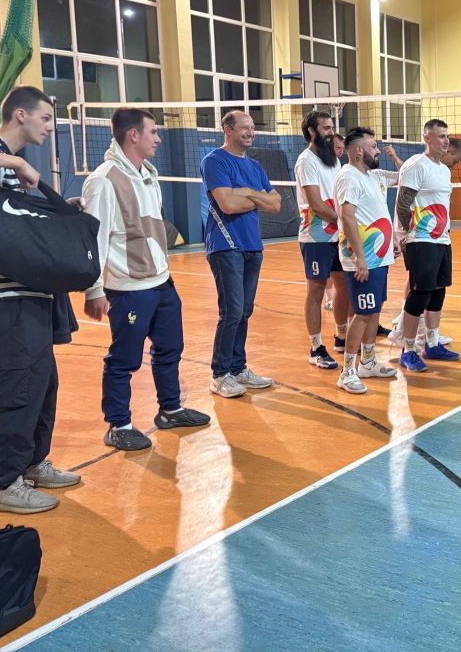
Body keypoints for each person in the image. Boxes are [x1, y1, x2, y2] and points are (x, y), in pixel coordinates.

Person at [82, 108, 210, 451]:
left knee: (170, 348)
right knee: (124, 359)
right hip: (128, 289)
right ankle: (119, 424)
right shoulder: (104, 180)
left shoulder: (148, 175)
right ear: (133, 135)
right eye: (153, 132)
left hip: (161, 282)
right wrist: (94, 289)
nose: (158, 139)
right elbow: (94, 241)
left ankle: (170, 409)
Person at [0, 86, 80, 514]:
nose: (50, 127)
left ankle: (30, 463)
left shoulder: (12, 169)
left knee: (42, 385)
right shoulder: (1, 156)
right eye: (45, 118)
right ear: (20, 115)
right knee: (16, 387)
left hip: (33, 295)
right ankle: (2, 482)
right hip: (4, 302)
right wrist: (16, 162)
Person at [200, 110, 282, 398]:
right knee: (232, 311)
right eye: (244, 127)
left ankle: (237, 368)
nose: (250, 132)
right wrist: (258, 197)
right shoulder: (214, 161)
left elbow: (276, 204)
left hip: (252, 246)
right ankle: (220, 374)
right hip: (226, 245)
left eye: (252, 127)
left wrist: (246, 192)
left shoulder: (255, 166)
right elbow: (228, 205)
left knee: (244, 311)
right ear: (228, 129)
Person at [333, 127, 399, 394]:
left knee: (373, 311)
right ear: (359, 151)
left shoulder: (370, 175)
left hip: (379, 258)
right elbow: (347, 217)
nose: (377, 150)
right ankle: (347, 371)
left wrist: (391, 240)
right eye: (373, 147)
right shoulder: (348, 176)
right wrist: (360, 257)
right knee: (361, 314)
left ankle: (368, 363)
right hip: (363, 260)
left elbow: (376, 212)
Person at [394, 119, 461, 372]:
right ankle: (408, 350)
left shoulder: (444, 170)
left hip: (442, 239)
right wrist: (409, 232)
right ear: (427, 138)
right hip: (421, 240)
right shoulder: (416, 165)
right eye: (441, 136)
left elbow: (444, 203)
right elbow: (403, 203)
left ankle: (432, 345)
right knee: (420, 294)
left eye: (447, 136)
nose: (446, 141)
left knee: (438, 291)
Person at [295, 113, 345, 369]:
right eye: (326, 128)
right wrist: (345, 221)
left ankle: (341, 336)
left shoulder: (333, 160)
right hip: (317, 236)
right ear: (312, 132)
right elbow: (316, 204)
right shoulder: (306, 161)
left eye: (332, 127)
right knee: (316, 290)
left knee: (343, 286)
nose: (331, 132)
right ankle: (316, 348)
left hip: (338, 234)